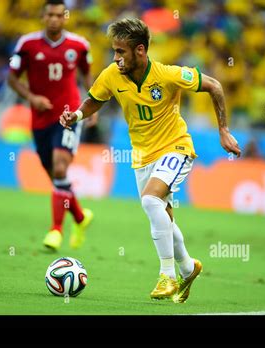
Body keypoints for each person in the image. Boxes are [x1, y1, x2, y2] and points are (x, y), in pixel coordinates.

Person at [60, 18, 241, 303]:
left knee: (149, 201)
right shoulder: (111, 75)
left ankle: (167, 275)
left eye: (121, 52)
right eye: (114, 51)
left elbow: (215, 86)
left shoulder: (168, 74)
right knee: (163, 215)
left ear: (140, 50)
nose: (115, 58)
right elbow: (96, 98)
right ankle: (188, 267)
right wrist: (77, 115)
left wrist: (224, 130)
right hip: (142, 156)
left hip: (176, 148)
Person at [8, 0, 97, 251]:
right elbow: (12, 78)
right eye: (50, 15)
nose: (55, 19)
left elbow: (87, 75)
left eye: (59, 15)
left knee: (60, 168)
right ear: (43, 16)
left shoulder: (79, 46)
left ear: (65, 17)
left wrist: (92, 106)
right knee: (55, 175)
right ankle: (80, 217)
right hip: (40, 119)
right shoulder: (27, 45)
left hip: (69, 114)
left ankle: (55, 231)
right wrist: (32, 98)